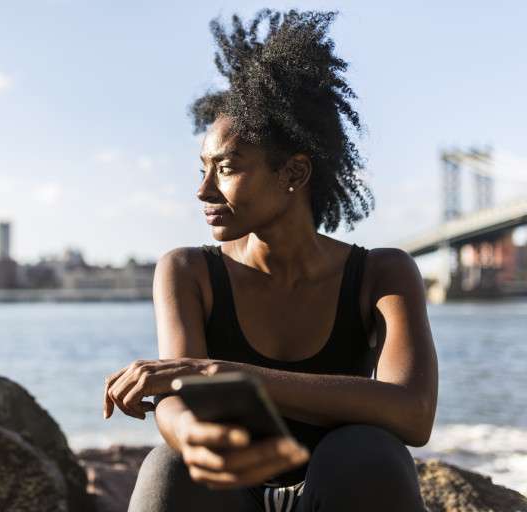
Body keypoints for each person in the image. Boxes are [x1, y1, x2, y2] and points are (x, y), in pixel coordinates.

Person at [103, 8, 437, 512]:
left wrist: (220, 373)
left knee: (371, 451)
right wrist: (189, 432)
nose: (203, 190)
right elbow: (175, 398)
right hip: (229, 491)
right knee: (170, 466)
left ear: (294, 173)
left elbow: (412, 414)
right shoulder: (189, 270)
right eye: (202, 169)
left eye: (227, 168)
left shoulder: (382, 273)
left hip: (339, 488)